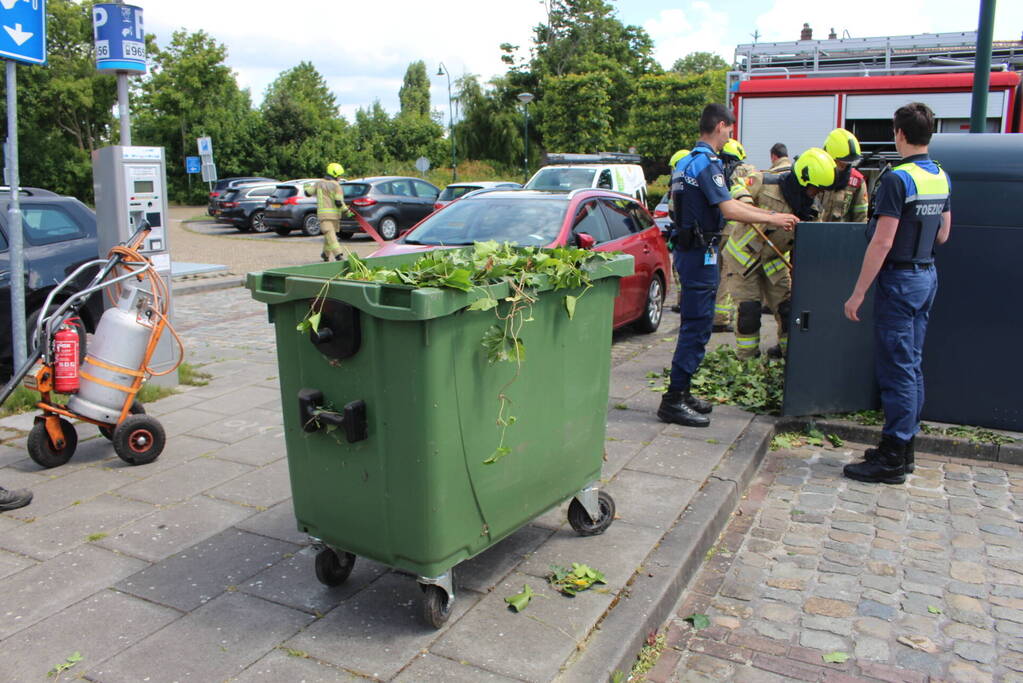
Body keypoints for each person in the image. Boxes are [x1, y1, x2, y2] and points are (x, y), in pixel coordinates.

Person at [658, 104, 798, 428]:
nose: (730, 136)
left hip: (692, 252)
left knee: (699, 322)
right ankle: (674, 398)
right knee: (697, 324)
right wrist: (772, 217)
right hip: (700, 253)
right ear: (720, 126)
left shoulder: (684, 163)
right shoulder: (707, 164)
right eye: (729, 129)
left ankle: (684, 390)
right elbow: (730, 208)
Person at [842, 103, 951, 485]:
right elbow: (943, 233)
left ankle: (892, 456)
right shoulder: (939, 175)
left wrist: (858, 293)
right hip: (926, 276)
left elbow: (883, 241)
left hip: (900, 281)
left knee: (897, 370)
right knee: (912, 365)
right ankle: (903, 449)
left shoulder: (897, 179)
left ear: (899, 133)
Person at [726, 148, 836, 359]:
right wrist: (747, 203)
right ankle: (747, 360)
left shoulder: (811, 210)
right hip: (743, 259)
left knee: (788, 311)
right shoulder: (766, 182)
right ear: (802, 180)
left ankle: (788, 355)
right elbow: (737, 184)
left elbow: (812, 243)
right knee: (749, 312)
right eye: (815, 189)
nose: (817, 194)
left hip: (774, 261)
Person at [713, 138, 757, 332]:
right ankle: (721, 318)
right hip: (734, 230)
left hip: (716, 229)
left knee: (715, 272)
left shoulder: (714, 169)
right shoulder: (744, 171)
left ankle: (713, 314)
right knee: (728, 274)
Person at [818, 128, 869, 223]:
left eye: (847, 163)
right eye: (840, 162)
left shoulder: (856, 181)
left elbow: (860, 219)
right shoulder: (813, 176)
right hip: (811, 235)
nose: (843, 166)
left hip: (840, 236)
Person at [305, 163, 351, 262]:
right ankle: (338, 255)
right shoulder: (337, 186)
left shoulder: (319, 183)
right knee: (331, 235)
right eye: (339, 175)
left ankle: (325, 254)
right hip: (334, 216)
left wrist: (306, 187)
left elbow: (308, 193)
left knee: (329, 235)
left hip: (324, 215)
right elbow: (339, 202)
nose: (340, 177)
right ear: (335, 174)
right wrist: (347, 211)